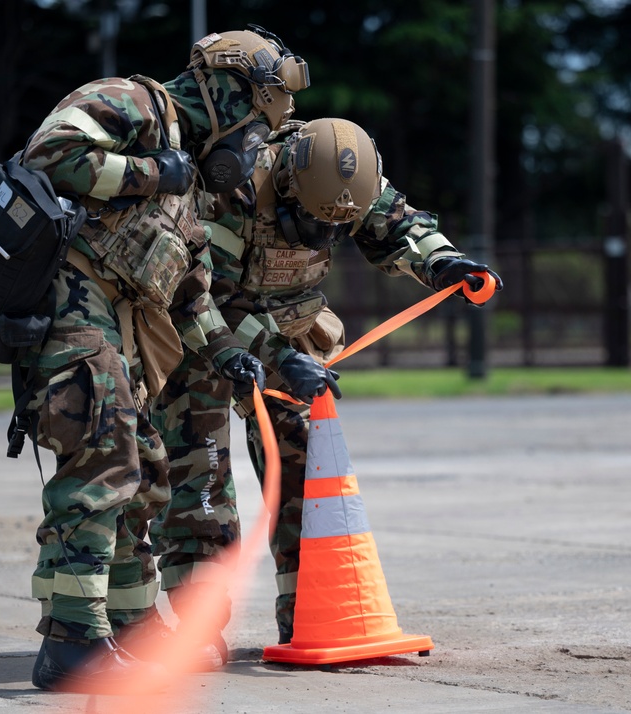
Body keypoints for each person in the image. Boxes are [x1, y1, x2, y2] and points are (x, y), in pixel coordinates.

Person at [16, 26, 309, 693]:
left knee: (148, 469)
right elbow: (47, 153)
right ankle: (71, 639)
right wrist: (149, 172)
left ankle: (131, 627)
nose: (249, 142)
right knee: (105, 454)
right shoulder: (135, 104)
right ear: (223, 91)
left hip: (120, 328)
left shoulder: (192, 191)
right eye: (249, 119)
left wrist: (233, 356)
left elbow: (194, 300)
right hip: (69, 310)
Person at [149, 117, 503, 649]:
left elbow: (403, 225)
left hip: (290, 339)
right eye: (310, 222)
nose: (324, 237)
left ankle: (309, 611)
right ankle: (198, 628)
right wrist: (280, 358)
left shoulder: (351, 183)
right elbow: (209, 296)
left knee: (308, 472)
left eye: (337, 227)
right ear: (289, 185)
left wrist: (444, 262)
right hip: (207, 342)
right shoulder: (234, 186)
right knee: (200, 477)